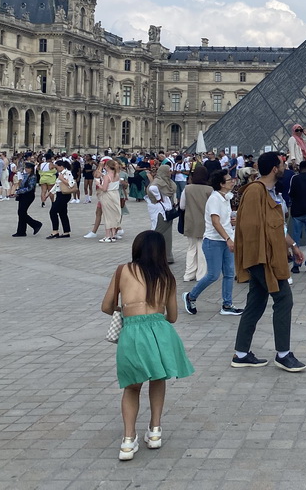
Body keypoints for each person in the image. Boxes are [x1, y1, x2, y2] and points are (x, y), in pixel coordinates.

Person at [100, 230, 194, 461]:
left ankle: (128, 441)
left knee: (131, 387)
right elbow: (172, 317)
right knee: (158, 379)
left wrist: (127, 310)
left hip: (132, 332)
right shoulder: (167, 277)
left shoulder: (123, 270)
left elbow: (106, 306)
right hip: (160, 332)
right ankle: (154, 432)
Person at [230, 151, 306, 371]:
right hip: (262, 258)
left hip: (270, 255)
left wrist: (292, 246)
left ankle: (241, 353)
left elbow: (277, 226)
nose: (284, 167)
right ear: (275, 168)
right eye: (282, 165)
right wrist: (259, 261)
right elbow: (250, 230)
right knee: (284, 299)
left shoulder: (271, 192)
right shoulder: (256, 191)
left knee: (256, 302)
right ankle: (283, 354)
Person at [183, 170, 242, 316]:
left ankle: (227, 304)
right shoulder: (215, 198)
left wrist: (232, 223)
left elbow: (222, 220)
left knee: (229, 273)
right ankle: (191, 296)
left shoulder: (226, 198)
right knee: (213, 275)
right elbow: (215, 222)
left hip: (226, 239)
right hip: (214, 241)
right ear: (221, 184)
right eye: (229, 180)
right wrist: (228, 239)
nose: (232, 181)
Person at [179, 165, 211, 282]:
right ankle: (201, 275)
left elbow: (182, 206)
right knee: (202, 249)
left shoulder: (187, 189)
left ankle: (189, 274)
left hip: (190, 221)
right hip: (204, 222)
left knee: (191, 248)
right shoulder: (209, 190)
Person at [146, 164, 178, 264]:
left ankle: (167, 256)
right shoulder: (158, 181)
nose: (170, 172)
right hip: (160, 212)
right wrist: (158, 198)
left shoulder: (167, 181)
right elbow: (152, 188)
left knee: (167, 235)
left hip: (168, 211)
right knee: (158, 233)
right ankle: (153, 255)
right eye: (168, 171)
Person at [46, 158, 77, 238]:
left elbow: (71, 184)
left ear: (61, 166)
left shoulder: (67, 173)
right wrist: (49, 194)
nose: (56, 169)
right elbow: (56, 185)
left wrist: (62, 179)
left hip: (64, 194)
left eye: (57, 167)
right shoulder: (60, 174)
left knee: (53, 211)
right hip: (59, 194)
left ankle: (55, 231)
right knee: (62, 213)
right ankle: (66, 231)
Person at [97, 159, 123, 243]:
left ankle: (107, 236)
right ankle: (113, 234)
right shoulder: (117, 175)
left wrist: (98, 185)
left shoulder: (107, 176)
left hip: (108, 195)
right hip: (115, 195)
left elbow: (104, 189)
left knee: (107, 215)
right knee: (114, 214)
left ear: (107, 166)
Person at [13, 161, 42, 237]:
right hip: (22, 195)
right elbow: (21, 184)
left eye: (28, 168)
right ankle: (21, 231)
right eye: (26, 167)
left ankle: (36, 224)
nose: (26, 169)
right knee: (21, 212)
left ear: (32, 169)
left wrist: (19, 191)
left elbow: (30, 187)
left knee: (21, 212)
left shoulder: (33, 176)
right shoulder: (25, 175)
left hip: (28, 196)